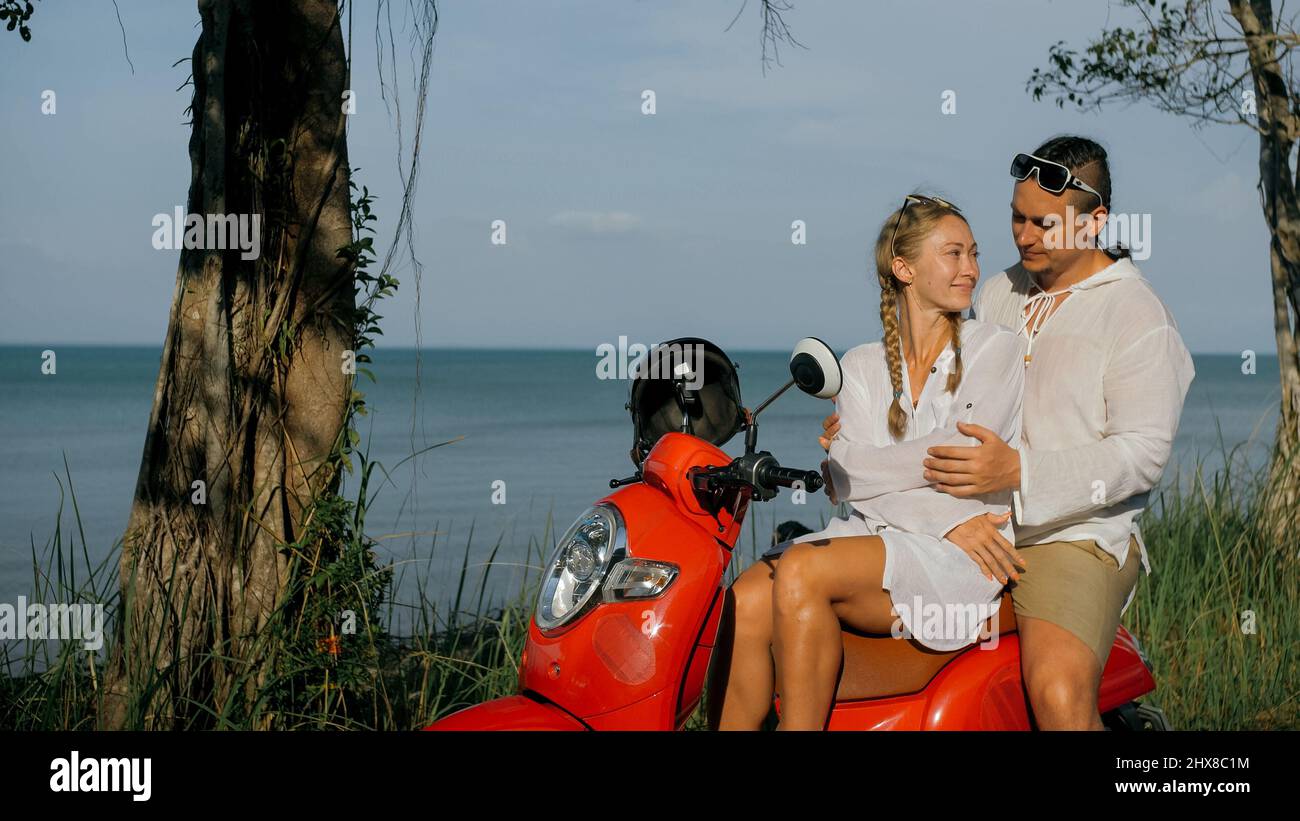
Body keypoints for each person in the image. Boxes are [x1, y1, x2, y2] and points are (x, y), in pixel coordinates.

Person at [823, 136, 1195, 730]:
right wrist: (860, 434)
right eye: (1017, 219)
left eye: (1045, 224)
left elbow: (1142, 456)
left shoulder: (1138, 316)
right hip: (965, 526)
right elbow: (939, 389)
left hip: (1070, 537)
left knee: (1056, 693)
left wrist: (1021, 472)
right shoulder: (997, 292)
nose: (1025, 236)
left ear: (1095, 221)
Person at [705, 194, 1028, 730]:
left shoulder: (996, 349)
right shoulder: (859, 365)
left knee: (802, 568)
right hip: (915, 532)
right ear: (904, 268)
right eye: (952, 254)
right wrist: (943, 517)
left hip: (960, 557)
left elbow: (961, 458)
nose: (970, 268)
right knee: (745, 596)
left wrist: (867, 469)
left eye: (974, 253)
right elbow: (847, 476)